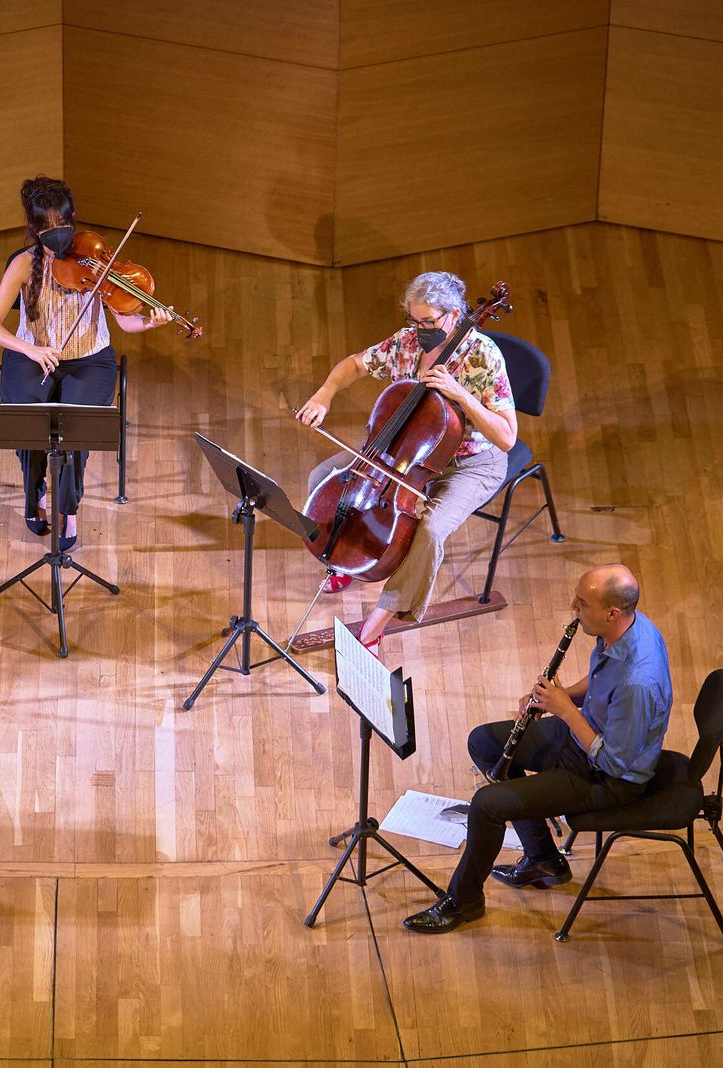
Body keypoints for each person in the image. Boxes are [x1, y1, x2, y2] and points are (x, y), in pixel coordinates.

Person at [402, 564, 673, 934]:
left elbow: (614, 761)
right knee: (483, 742)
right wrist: (555, 699)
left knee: (487, 805)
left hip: (609, 778)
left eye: (581, 603)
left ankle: (464, 901)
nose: (572, 607)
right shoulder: (625, 628)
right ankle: (544, 858)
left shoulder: (639, 682)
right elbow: (599, 689)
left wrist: (563, 709)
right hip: (587, 737)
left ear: (612, 612)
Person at [297, 271, 516, 649]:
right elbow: (355, 364)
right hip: (404, 451)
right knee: (323, 477)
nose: (421, 329)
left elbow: (507, 436)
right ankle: (348, 559)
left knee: (430, 531)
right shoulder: (408, 342)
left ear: (456, 313)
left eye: (430, 321)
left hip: (471, 462)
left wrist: (461, 396)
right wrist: (324, 394)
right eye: (416, 321)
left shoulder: (483, 357)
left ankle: (382, 616)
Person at [0, 175, 174, 551]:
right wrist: (29, 349)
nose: (57, 236)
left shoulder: (96, 259)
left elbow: (125, 320)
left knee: (74, 433)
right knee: (27, 427)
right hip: (34, 356)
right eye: (47, 229)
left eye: (63, 227)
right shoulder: (23, 264)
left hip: (89, 359)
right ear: (34, 230)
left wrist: (150, 319)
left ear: (73, 222)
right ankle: (34, 495)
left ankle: (68, 509)